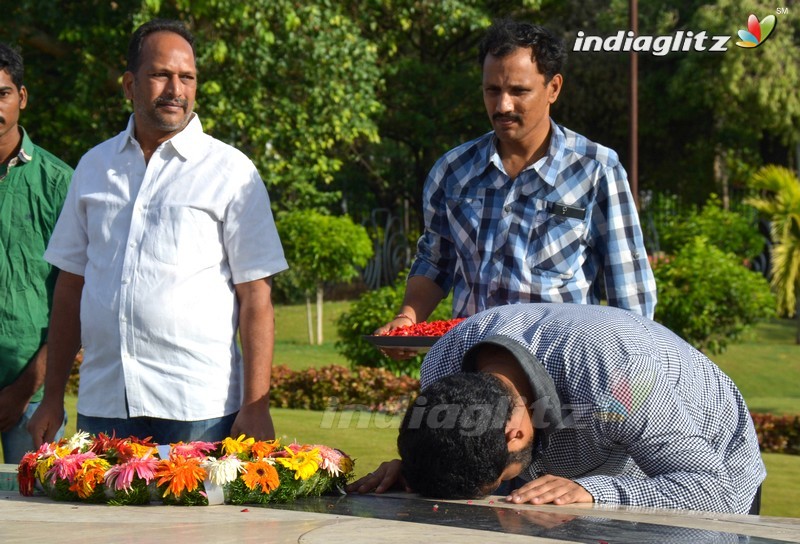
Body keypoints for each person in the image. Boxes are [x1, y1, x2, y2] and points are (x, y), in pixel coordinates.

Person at [27, 19, 288, 447]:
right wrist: (52, 397)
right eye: (161, 75)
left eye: (187, 77)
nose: (176, 90)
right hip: (106, 404)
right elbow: (70, 286)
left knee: (196, 518)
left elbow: (256, 295)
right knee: (104, 516)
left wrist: (256, 404)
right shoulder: (94, 167)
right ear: (130, 84)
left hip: (198, 407)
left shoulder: (230, 170)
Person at [378, 20, 656, 345]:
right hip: (473, 364)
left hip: (560, 370)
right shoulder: (453, 172)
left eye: (518, 91)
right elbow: (436, 260)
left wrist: (629, 370)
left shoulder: (596, 170)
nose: (502, 106)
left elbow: (629, 287)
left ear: (553, 88)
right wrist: (408, 319)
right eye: (492, 90)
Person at [350, 303, 765, 515]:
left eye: (499, 478)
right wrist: (424, 465)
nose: (499, 487)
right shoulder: (443, 362)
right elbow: (462, 442)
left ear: (515, 432)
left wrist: (596, 490)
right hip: (591, 460)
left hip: (695, 465)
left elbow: (714, 491)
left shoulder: (614, 374)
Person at [0, 43, 72, 463]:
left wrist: (27, 387)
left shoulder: (60, 182)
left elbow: (75, 294)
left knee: (38, 519)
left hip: (33, 396)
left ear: (21, 98)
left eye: (2, 93)